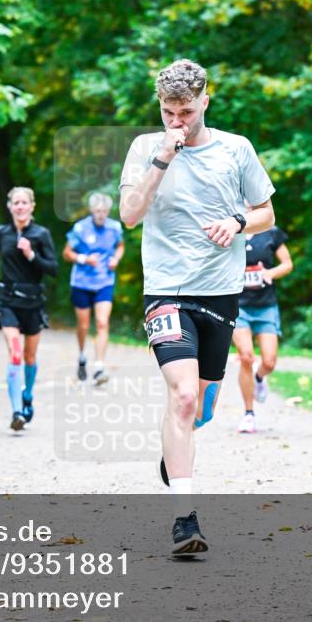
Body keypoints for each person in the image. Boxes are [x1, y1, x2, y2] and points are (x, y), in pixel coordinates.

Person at [119, 59, 275, 556]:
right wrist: (163, 157)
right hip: (165, 289)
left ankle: (175, 451)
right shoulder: (146, 148)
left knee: (201, 403)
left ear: (206, 100)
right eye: (168, 112)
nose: (177, 122)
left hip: (221, 291)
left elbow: (267, 213)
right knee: (183, 396)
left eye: (186, 111)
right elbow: (128, 216)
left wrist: (236, 222)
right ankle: (185, 519)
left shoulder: (237, 149)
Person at [0, 187, 58, 431]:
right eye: (16, 202)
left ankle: (27, 396)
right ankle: (16, 412)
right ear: (10, 206)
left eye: (25, 202)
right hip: (8, 301)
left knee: (30, 357)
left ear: (32, 206)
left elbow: (53, 268)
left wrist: (31, 254)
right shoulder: (2, 232)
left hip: (33, 302)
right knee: (15, 353)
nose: (20, 206)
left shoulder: (41, 234)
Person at [234, 227, 293, 433]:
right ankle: (249, 414)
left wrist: (269, 273)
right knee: (246, 357)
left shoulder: (271, 233)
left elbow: (287, 264)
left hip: (265, 306)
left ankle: (259, 377)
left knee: (269, 361)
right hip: (237, 305)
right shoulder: (230, 230)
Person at [62, 192, 125, 385]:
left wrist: (116, 258)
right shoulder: (80, 228)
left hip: (104, 281)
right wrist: (84, 259)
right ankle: (82, 356)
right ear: (92, 211)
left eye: (104, 211)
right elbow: (66, 253)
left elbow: (120, 246)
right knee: (83, 325)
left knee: (102, 322)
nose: (101, 214)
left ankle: (99, 367)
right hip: (81, 282)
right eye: (98, 211)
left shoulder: (114, 227)